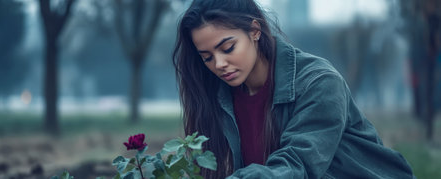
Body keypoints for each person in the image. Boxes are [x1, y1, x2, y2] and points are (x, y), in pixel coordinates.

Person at [172, 0, 415, 178]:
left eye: (227, 48)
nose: (219, 64)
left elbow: (298, 165)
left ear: (254, 31)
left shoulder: (319, 82)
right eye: (207, 57)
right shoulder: (220, 94)